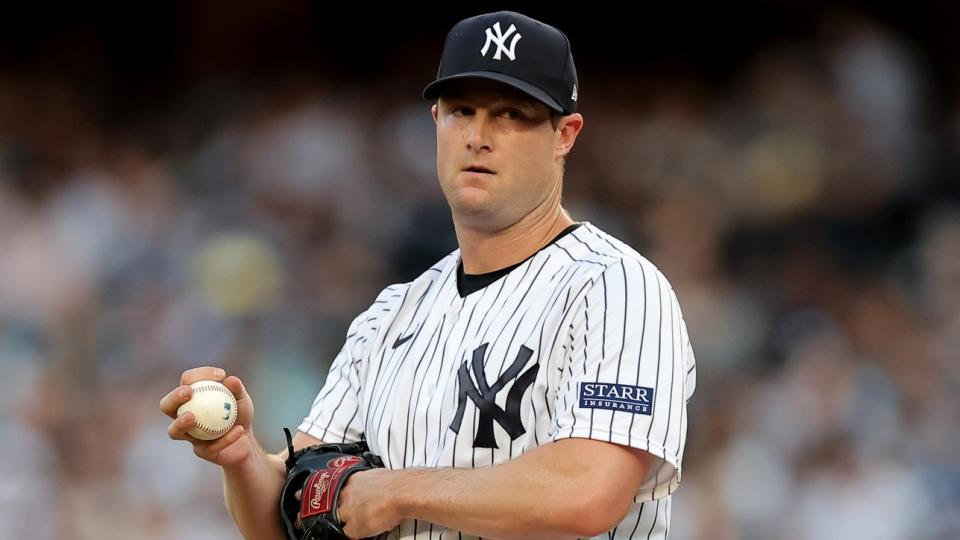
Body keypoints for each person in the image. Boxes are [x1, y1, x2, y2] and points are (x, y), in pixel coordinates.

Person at [159, 10, 696, 539]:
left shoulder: (615, 286)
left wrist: (397, 491)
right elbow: (296, 515)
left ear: (565, 134)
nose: (479, 136)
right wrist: (243, 456)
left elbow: (588, 493)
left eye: (511, 114)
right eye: (462, 110)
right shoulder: (392, 313)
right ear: (436, 122)